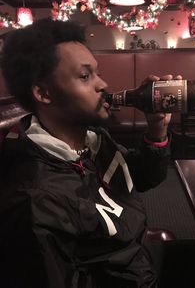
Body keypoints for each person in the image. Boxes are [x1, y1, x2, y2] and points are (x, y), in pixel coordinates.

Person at [0, 18, 174, 288]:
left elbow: (141, 177)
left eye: (97, 73)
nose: (102, 84)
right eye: (84, 76)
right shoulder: (36, 199)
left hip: (140, 263)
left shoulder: (93, 140)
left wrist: (157, 131)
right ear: (44, 93)